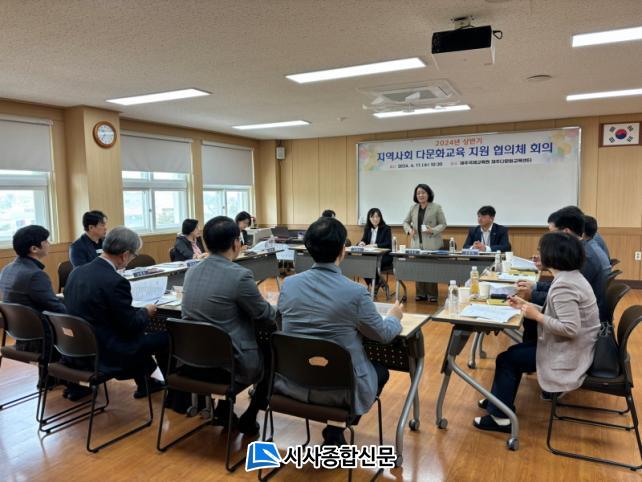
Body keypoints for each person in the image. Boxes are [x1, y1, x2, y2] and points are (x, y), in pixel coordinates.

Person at [277, 217, 403, 446]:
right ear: (343, 250)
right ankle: (337, 427)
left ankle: (335, 430)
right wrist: (395, 316)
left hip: (293, 382)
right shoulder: (355, 292)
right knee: (381, 372)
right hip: (340, 390)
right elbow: (383, 334)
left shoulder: (289, 284)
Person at [474, 231, 600, 433]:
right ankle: (498, 401)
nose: (539, 255)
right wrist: (526, 306)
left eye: (542, 251)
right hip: (568, 345)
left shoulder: (564, 286)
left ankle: (500, 418)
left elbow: (570, 328)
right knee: (513, 354)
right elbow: (558, 315)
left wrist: (537, 316)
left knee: (507, 360)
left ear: (553, 255)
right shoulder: (571, 277)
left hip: (569, 352)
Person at [181, 216, 277, 435]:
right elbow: (264, 315)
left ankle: (224, 410)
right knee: (273, 356)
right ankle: (250, 415)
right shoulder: (239, 276)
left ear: (206, 244)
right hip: (228, 366)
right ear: (236, 243)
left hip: (192, 361)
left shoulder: (191, 272)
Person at [64, 226, 167, 399]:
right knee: (166, 338)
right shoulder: (115, 281)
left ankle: (148, 383)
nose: (131, 259)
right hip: (108, 352)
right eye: (134, 255)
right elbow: (131, 326)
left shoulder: (77, 272)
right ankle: (174, 395)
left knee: (139, 338)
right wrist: (146, 311)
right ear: (125, 255)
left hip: (78, 348)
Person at [516, 206, 609, 342]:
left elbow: (564, 294)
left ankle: (531, 349)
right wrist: (536, 285)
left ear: (565, 232)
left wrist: (532, 294)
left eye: (552, 233)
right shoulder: (579, 250)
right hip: (578, 318)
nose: (550, 238)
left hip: (583, 330)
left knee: (530, 316)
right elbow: (560, 286)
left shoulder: (584, 258)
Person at [0, 225, 66, 356]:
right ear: (34, 249)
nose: (49, 243)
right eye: (46, 241)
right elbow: (56, 308)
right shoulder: (35, 275)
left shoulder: (6, 269)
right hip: (42, 337)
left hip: (19, 333)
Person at [402, 183, 447, 302]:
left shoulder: (436, 207)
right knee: (419, 269)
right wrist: (409, 230)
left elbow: (443, 224)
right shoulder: (413, 208)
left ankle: (432, 294)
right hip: (417, 243)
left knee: (430, 269)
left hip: (431, 243)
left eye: (423, 192)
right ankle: (420, 293)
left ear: (428, 194)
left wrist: (433, 230)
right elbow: (405, 222)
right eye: (418, 193)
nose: (420, 195)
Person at [358, 207, 392, 289]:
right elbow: (364, 239)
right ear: (369, 218)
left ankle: (375, 285)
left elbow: (388, 243)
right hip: (370, 255)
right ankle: (377, 283)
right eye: (372, 217)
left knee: (372, 264)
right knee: (361, 265)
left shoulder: (386, 228)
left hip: (383, 256)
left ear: (380, 217)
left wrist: (375, 245)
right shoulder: (367, 228)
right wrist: (361, 243)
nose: (375, 219)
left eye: (377, 216)